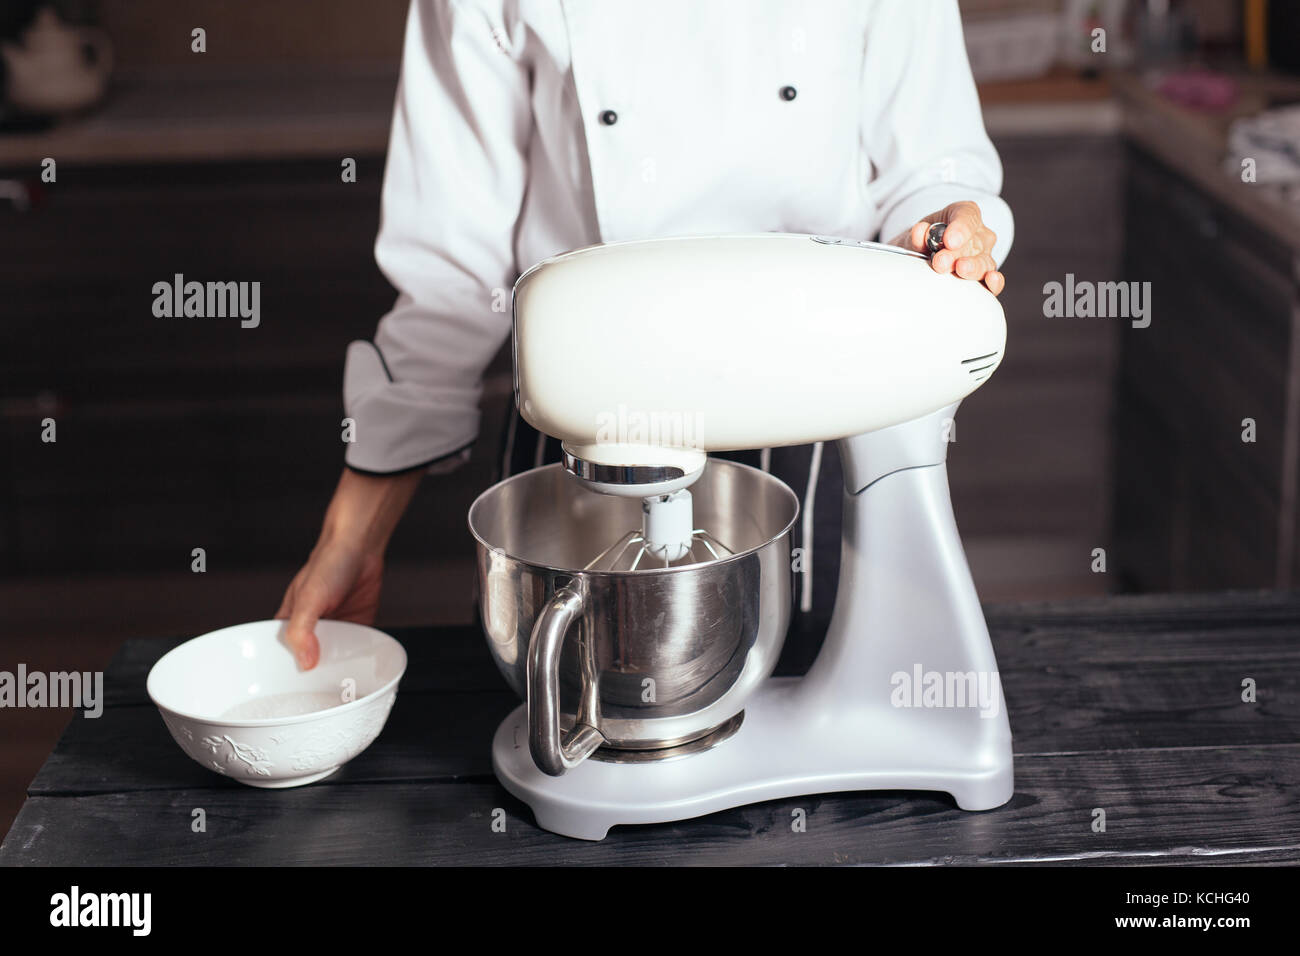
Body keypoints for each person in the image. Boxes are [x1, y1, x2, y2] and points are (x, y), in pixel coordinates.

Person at [276, 0, 1013, 670]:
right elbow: (450, 271)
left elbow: (931, 166)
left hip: (812, 414)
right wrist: (352, 536)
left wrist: (948, 228)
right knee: (562, 694)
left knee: (813, 701)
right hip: (580, 415)